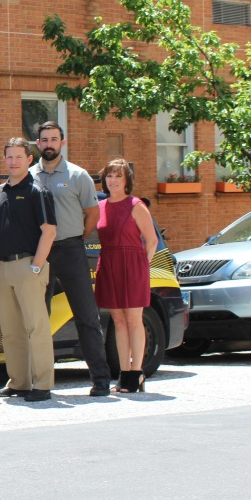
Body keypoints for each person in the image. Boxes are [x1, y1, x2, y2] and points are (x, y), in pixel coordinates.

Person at [30, 121, 112, 397]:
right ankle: (38, 380)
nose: (49, 144)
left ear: (62, 143)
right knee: (39, 317)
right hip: (40, 253)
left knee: (86, 317)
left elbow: (92, 214)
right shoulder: (29, 176)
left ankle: (100, 379)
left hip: (71, 250)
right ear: (38, 143)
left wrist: (77, 238)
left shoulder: (78, 176)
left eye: (54, 139)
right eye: (44, 139)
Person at [0, 137, 57, 402]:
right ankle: (19, 382)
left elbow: (49, 231)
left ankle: (42, 384)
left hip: (28, 265)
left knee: (36, 328)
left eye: (19, 156)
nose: (13, 161)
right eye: (9, 157)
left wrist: (36, 267)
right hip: (3, 267)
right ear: (4, 159)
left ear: (29, 159)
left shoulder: (37, 192)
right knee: (11, 329)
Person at [95, 159, 159, 394]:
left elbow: (151, 241)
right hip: (109, 263)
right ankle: (124, 374)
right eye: (109, 176)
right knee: (118, 322)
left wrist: (143, 266)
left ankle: (137, 371)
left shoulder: (136, 204)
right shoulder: (100, 206)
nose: (113, 181)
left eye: (118, 176)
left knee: (134, 320)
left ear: (127, 181)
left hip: (133, 266)